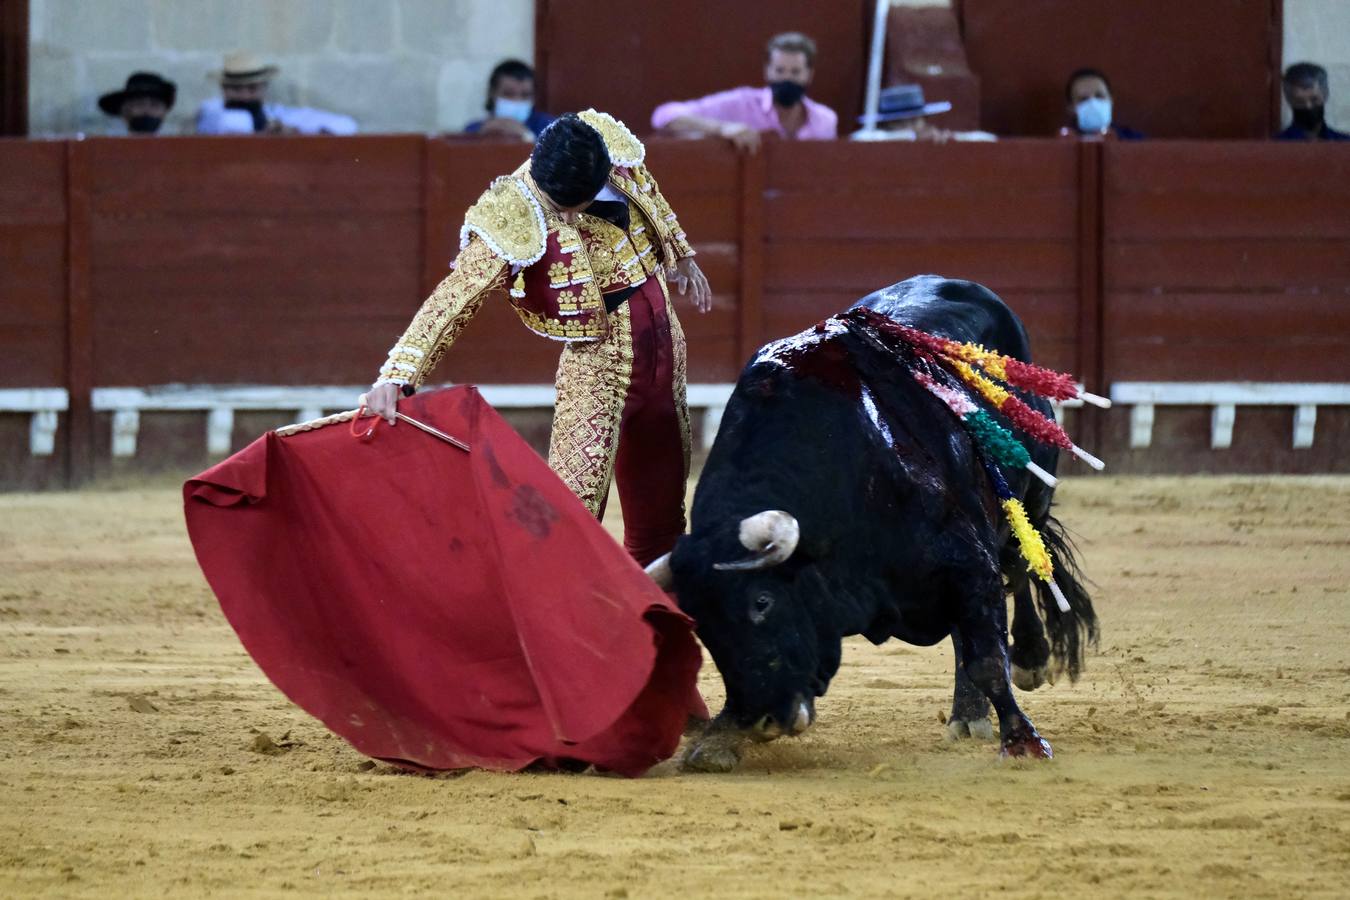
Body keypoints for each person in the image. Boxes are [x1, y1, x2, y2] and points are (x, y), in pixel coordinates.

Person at [364, 111, 711, 566]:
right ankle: (562, 624)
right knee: (570, 512)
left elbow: (647, 188)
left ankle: (655, 628)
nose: (567, 215)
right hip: (597, 364)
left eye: (576, 204)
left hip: (667, 346)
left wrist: (679, 251)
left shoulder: (609, 145)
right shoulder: (513, 209)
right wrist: (399, 374)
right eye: (559, 205)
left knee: (663, 511)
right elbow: (455, 296)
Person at [651, 32, 838, 152]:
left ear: (809, 74)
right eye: (780, 71)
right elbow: (665, 115)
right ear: (768, 71)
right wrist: (721, 128)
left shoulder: (826, 120)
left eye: (795, 72)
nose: (787, 79)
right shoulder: (741, 103)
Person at [195, 52, 358, 136]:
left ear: (264, 88)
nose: (245, 95)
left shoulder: (273, 112)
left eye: (252, 88)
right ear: (224, 90)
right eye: (237, 89)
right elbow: (232, 125)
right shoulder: (212, 110)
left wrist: (294, 131)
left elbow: (346, 125)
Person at [849, 83, 995, 143]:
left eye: (914, 120)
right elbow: (858, 138)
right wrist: (911, 136)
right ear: (886, 125)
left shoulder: (934, 137)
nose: (909, 125)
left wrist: (954, 137)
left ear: (923, 120)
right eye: (899, 122)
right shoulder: (878, 139)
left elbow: (988, 139)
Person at [464, 59, 556, 141]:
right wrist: (481, 136)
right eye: (508, 94)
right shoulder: (474, 129)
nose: (517, 100)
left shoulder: (549, 127)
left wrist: (527, 137)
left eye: (525, 95)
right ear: (492, 94)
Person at [1059, 68, 1143, 140]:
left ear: (1111, 100)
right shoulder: (1060, 145)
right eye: (1083, 99)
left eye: (1099, 96)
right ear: (1071, 108)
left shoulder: (1135, 141)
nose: (1093, 103)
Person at [1276, 63, 1348, 142]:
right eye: (1300, 101)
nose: (1308, 106)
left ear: (1325, 95)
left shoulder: (1345, 143)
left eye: (1314, 99)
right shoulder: (1276, 145)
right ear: (1289, 100)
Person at [97, 72, 177, 135]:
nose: (147, 110)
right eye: (139, 104)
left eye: (154, 105)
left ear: (165, 111)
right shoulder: (107, 143)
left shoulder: (177, 145)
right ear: (124, 109)